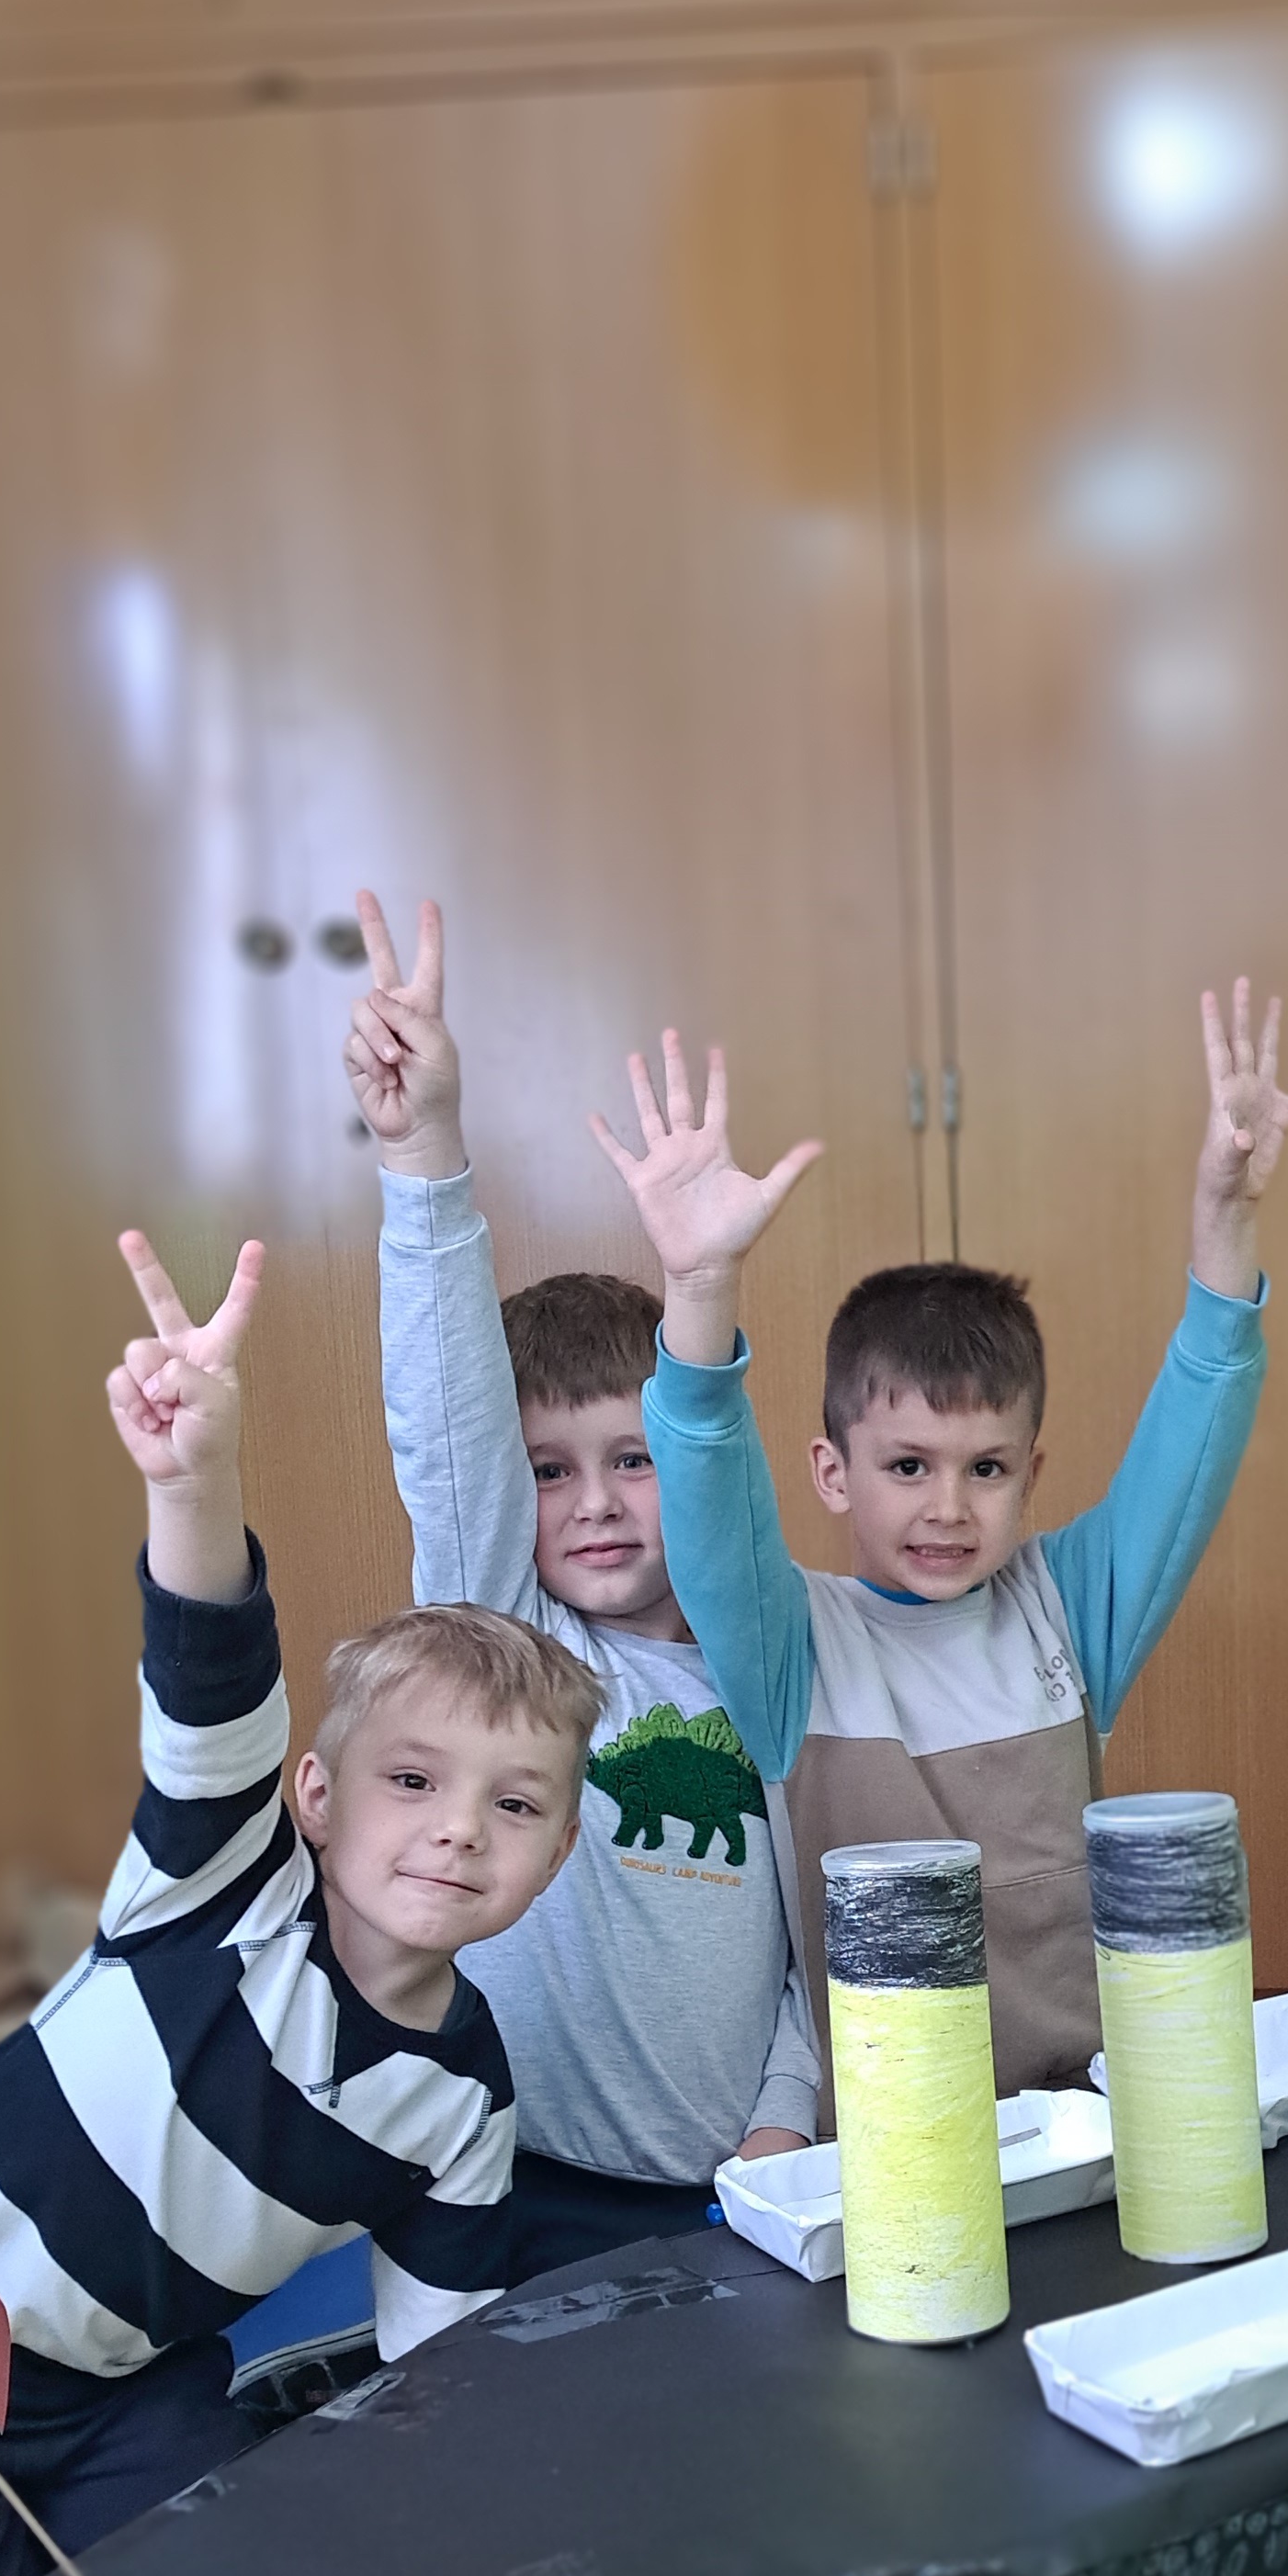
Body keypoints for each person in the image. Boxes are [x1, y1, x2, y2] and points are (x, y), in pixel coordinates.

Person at [0, 1227, 601, 2576]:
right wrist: (192, 1478)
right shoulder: (221, 1883)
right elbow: (210, 1671)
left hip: (120, 2392)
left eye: (515, 1807)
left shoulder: (462, 2100)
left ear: (560, 1848)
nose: (461, 1831)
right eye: (413, 1782)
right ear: (318, 1799)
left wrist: (491, 2567)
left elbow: (440, 2365)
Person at [601, 982, 1288, 2103]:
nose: (949, 1506)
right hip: (899, 2140)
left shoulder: (1069, 1609)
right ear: (832, 1474)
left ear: (1029, 1478)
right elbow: (706, 1485)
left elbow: (1195, 1428)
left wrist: (1225, 1218)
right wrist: (700, 1286)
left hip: (1096, 2119)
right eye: (908, 1466)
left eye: (985, 1469)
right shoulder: (789, 1646)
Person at [345, 891, 816, 2279]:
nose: (596, 1502)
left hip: (730, 2189)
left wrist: (789, 2113)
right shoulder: (512, 1644)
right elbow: (448, 1430)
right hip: (499, 2178)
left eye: (633, 1461)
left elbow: (823, 1922)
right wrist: (423, 1154)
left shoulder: (777, 1656)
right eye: (550, 1472)